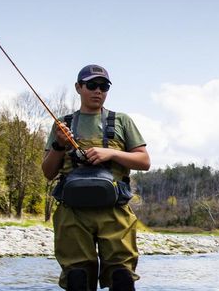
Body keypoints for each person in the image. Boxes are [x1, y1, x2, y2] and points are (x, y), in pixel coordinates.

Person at [43, 64, 150, 291]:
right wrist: (58, 144)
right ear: (78, 87)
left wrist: (110, 153)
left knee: (122, 276)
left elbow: (144, 161)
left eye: (103, 86)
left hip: (115, 211)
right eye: (91, 85)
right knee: (77, 277)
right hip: (72, 214)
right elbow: (48, 172)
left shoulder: (122, 121)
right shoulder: (62, 125)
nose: (98, 91)